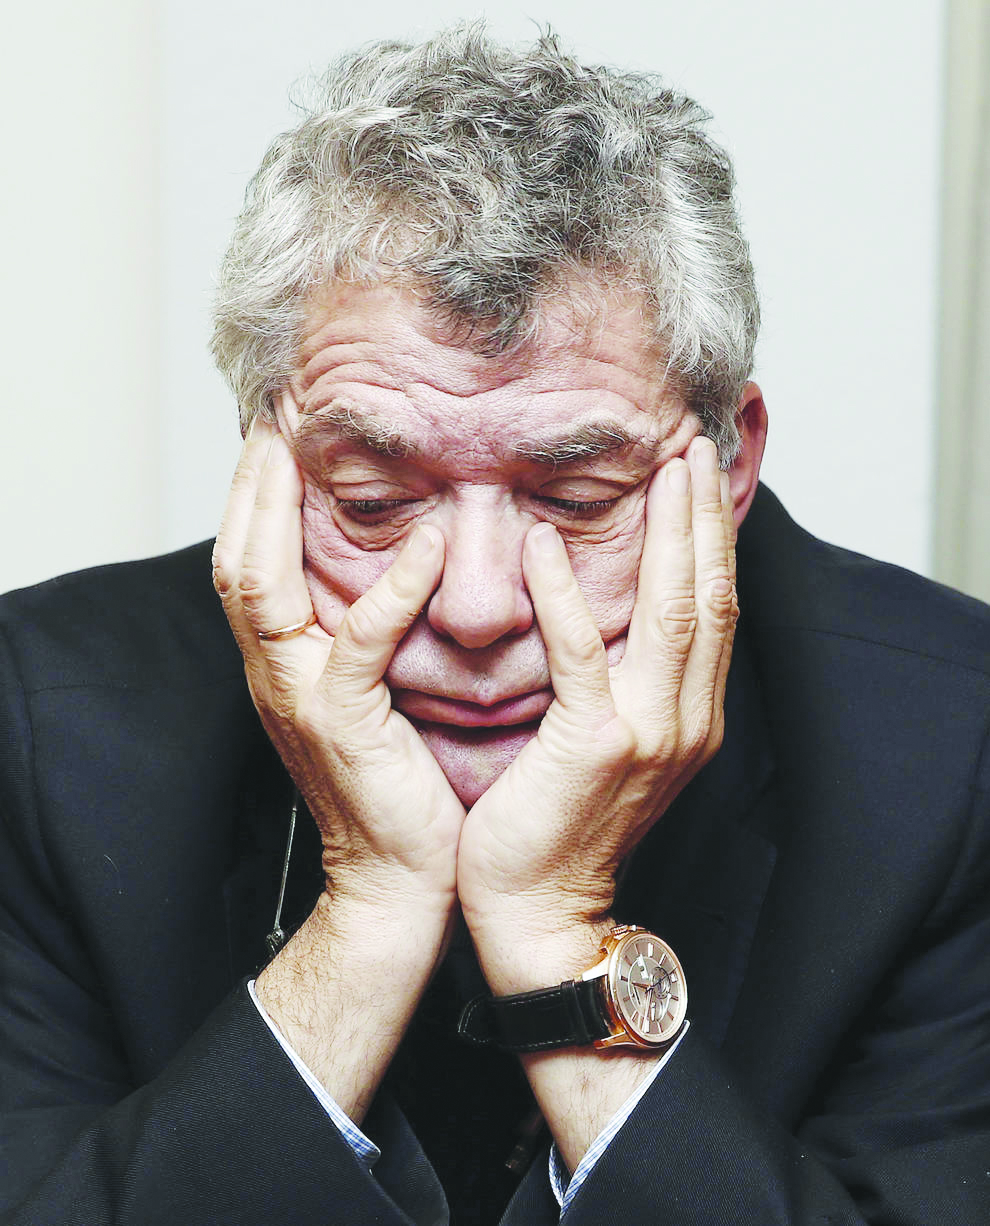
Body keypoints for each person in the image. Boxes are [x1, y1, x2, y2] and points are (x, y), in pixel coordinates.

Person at [2, 24, 989, 1226]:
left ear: (729, 468)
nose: (475, 606)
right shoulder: (40, 726)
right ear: (266, 456)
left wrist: (554, 929)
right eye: (373, 499)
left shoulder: (955, 749)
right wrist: (367, 914)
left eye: (576, 500)